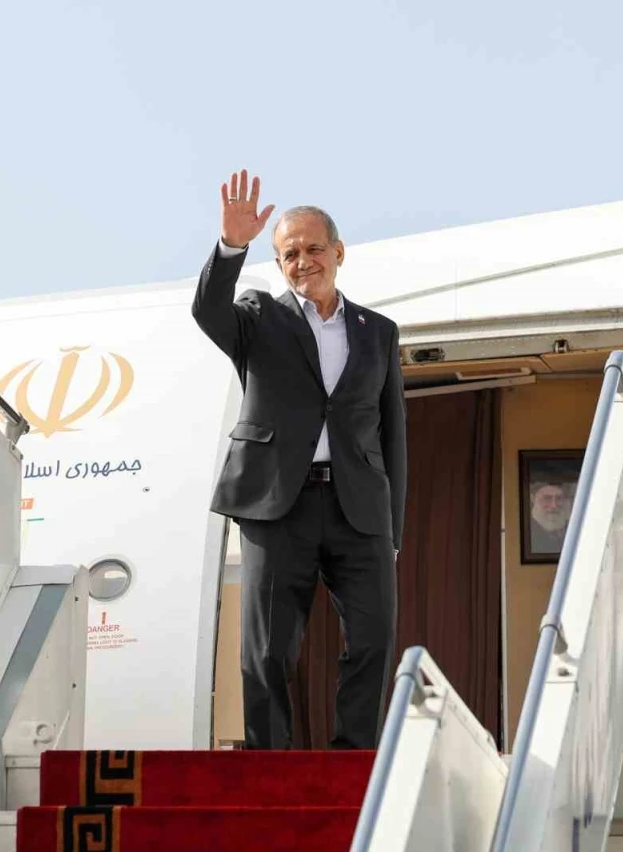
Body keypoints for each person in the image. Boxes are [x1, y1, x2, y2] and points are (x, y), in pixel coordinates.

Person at [192, 170, 406, 750]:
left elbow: (392, 434)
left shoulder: (379, 332)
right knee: (267, 649)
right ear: (279, 263)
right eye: (290, 253)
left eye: (314, 249)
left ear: (338, 252)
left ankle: (355, 760)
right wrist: (231, 246)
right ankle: (270, 764)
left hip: (358, 509)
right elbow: (208, 310)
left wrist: (393, 527)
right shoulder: (259, 316)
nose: (303, 261)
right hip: (276, 506)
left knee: (374, 641)